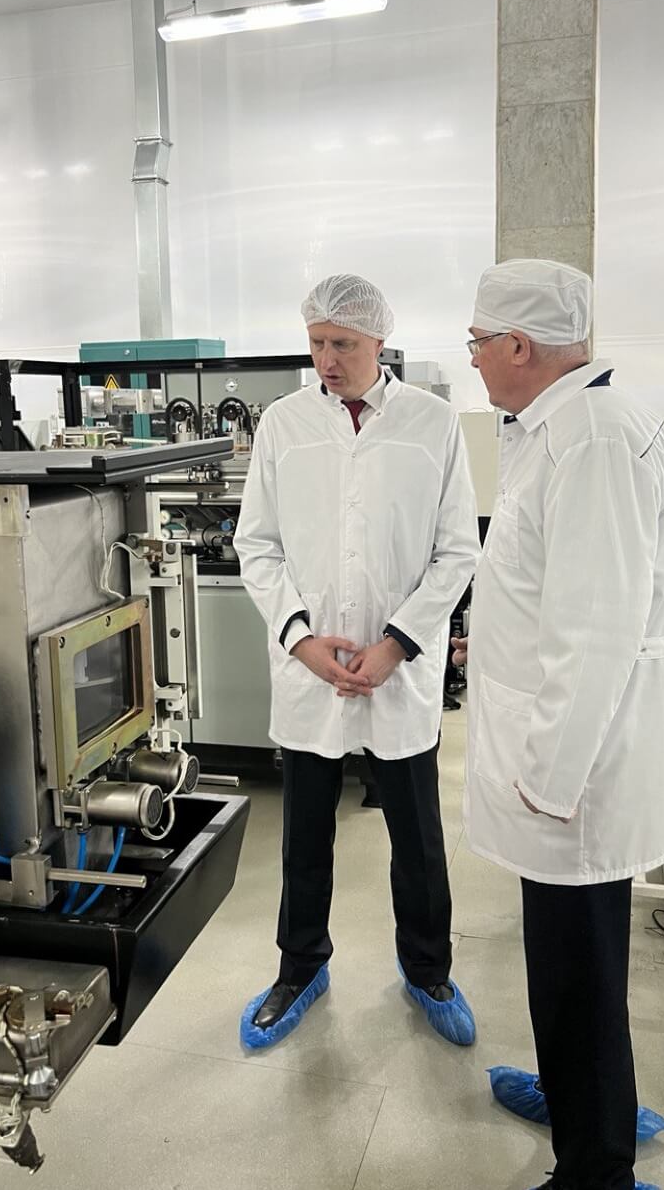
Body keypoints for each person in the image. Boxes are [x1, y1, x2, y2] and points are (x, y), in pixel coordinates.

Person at [455, 259, 664, 1190]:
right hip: (563, 763)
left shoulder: (592, 441)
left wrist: (549, 778)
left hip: (577, 776)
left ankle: (596, 1166)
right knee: (565, 957)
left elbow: (596, 634)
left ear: (520, 345)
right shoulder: (559, 427)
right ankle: (577, 1098)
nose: (473, 358)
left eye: (479, 342)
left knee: (582, 969)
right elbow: (551, 586)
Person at [234, 273, 481, 1050]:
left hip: (397, 671)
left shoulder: (432, 424)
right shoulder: (283, 424)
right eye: (316, 342)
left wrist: (396, 644)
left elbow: (457, 550)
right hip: (310, 669)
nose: (327, 359)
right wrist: (302, 640)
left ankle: (429, 969)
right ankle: (300, 967)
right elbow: (256, 544)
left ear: (379, 340)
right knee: (304, 837)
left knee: (418, 839)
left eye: (342, 343)